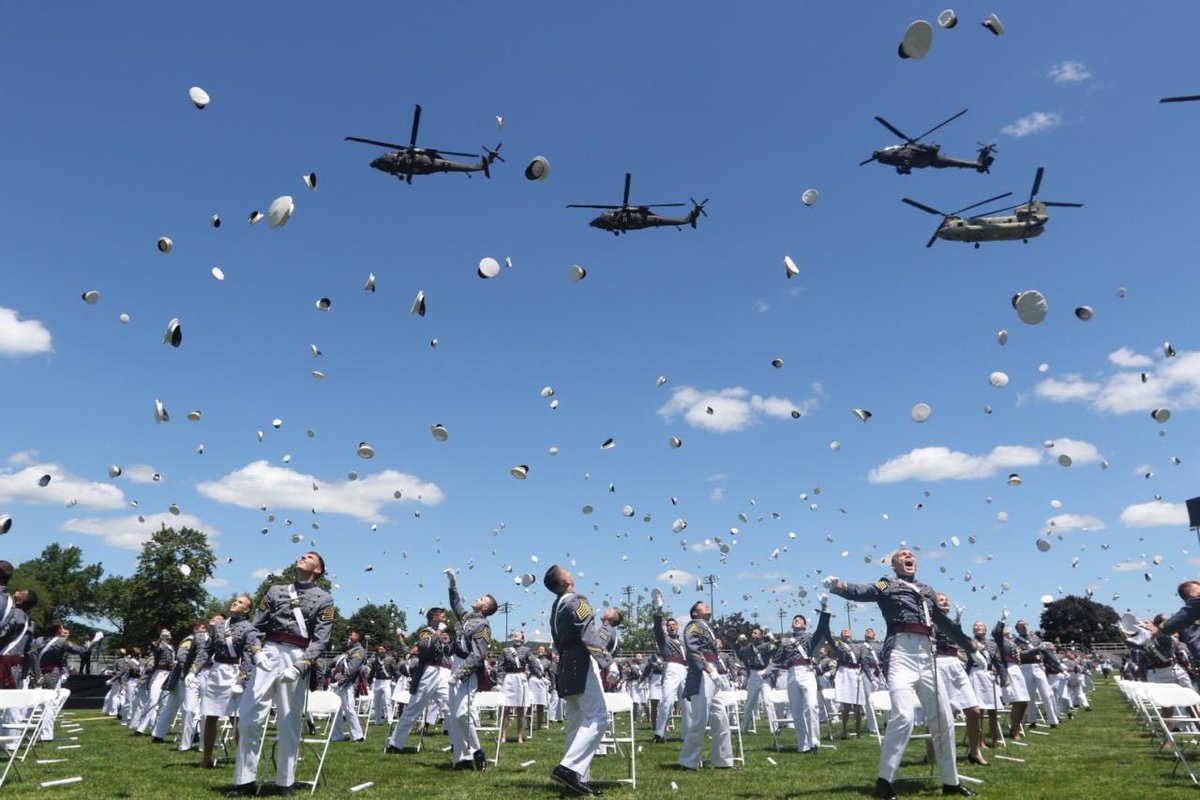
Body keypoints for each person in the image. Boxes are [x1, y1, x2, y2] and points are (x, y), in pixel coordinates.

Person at [828, 548, 982, 799]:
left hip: (926, 654)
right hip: (900, 651)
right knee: (903, 715)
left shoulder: (927, 590)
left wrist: (968, 646)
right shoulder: (886, 583)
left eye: (911, 555)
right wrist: (840, 586)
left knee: (944, 718)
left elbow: (943, 623)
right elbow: (864, 591)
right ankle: (884, 781)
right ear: (894, 564)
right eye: (902, 555)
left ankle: (951, 782)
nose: (908, 557)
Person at [226, 551, 334, 797]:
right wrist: (257, 652)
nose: (303, 557)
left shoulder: (324, 598)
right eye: (302, 555)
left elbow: (321, 640)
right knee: (250, 716)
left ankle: (285, 781)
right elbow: (255, 628)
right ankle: (244, 780)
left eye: (310, 557)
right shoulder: (275, 591)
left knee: (289, 720)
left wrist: (300, 666)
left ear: (318, 569)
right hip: (269, 652)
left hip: (297, 655)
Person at [544, 563, 612, 796]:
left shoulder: (556, 606)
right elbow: (588, 632)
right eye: (566, 572)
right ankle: (569, 768)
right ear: (566, 582)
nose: (571, 572)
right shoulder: (576, 600)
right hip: (581, 661)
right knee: (597, 717)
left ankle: (577, 778)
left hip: (566, 663)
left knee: (576, 721)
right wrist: (607, 662)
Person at [446, 568, 496, 771]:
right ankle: (461, 758)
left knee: (461, 714)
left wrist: (458, 674)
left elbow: (477, 655)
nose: (478, 597)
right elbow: (456, 604)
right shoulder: (467, 618)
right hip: (456, 665)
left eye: (483, 598)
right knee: (453, 716)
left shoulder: (483, 626)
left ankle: (477, 751)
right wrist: (452, 583)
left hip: (466, 671)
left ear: (485, 608)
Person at [195, 595, 254, 769]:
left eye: (241, 602)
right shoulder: (220, 625)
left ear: (247, 610)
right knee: (210, 715)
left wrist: (241, 679)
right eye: (235, 600)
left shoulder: (249, 628)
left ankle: (242, 760)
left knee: (236, 718)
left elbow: (248, 657)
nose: (235, 602)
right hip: (216, 671)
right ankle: (206, 758)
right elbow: (207, 650)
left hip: (234, 673)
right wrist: (193, 671)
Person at [764, 605, 832, 753]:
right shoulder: (785, 641)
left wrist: (824, 611)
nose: (797, 620)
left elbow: (821, 630)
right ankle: (803, 744)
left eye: (800, 619)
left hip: (807, 673)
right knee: (796, 710)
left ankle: (814, 742)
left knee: (812, 707)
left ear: (805, 625)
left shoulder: (809, 638)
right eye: (795, 619)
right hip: (792, 674)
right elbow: (776, 661)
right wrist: (765, 673)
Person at [928, 594, 986, 766]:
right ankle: (930, 754)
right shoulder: (929, 620)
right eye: (941, 600)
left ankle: (974, 751)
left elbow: (961, 640)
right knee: (937, 713)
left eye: (947, 599)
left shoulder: (952, 623)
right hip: (937, 663)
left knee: (974, 711)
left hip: (955, 665)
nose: (946, 601)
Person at [386, 608, 452, 754]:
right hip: (429, 670)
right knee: (414, 707)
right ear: (434, 617)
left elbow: (448, 652)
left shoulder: (444, 632)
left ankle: (457, 743)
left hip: (445, 671)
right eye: (442, 616)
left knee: (450, 708)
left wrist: (448, 642)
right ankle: (395, 744)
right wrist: (438, 635)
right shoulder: (425, 631)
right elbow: (424, 645)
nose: (445, 618)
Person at [679, 601, 733, 770]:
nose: (707, 606)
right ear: (695, 613)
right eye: (702, 605)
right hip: (703, 673)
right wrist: (710, 670)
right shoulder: (694, 626)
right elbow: (693, 650)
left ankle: (723, 759)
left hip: (712, 672)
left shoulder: (705, 627)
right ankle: (688, 761)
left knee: (721, 718)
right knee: (700, 719)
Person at [34, 621, 96, 740]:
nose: (63, 631)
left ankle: (28, 729)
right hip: (52, 674)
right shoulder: (62, 642)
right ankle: (45, 735)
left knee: (34, 702)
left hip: (37, 674)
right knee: (49, 705)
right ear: (58, 630)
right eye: (62, 628)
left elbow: (31, 654)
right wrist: (93, 640)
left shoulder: (38, 640)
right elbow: (82, 649)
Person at [153, 619, 207, 749]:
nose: (204, 630)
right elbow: (181, 656)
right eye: (202, 628)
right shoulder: (189, 640)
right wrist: (194, 668)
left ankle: (158, 734)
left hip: (182, 677)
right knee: (189, 707)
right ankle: (193, 734)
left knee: (173, 707)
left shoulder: (197, 640)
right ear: (195, 629)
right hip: (185, 677)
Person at [651, 606, 690, 743]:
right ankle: (659, 733)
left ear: (678, 627)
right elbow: (657, 629)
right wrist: (658, 613)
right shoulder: (664, 640)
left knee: (686, 704)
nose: (671, 627)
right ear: (666, 628)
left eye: (674, 625)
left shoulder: (683, 642)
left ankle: (687, 734)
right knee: (667, 701)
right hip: (671, 669)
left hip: (685, 670)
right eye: (669, 625)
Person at [1013, 620, 1060, 729]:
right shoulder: (1017, 641)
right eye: (1020, 626)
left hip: (1038, 665)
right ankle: (1032, 720)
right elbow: (1021, 654)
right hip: (1026, 666)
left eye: (1024, 625)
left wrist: (1055, 664)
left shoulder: (1035, 638)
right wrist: (1036, 650)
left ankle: (1053, 720)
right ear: (1017, 628)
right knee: (1030, 695)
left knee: (1046, 693)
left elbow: (1043, 651)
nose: (1023, 627)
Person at [966, 620, 1006, 747]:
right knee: (979, 710)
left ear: (985, 629)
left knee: (993, 709)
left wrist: (1004, 678)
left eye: (980, 625)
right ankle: (979, 740)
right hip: (976, 674)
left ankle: (996, 738)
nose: (978, 627)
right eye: (975, 625)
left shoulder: (992, 644)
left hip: (989, 676)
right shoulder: (969, 642)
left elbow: (998, 661)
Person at [993, 616, 1030, 740]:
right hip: (1008, 669)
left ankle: (1016, 726)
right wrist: (1002, 620)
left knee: (1024, 702)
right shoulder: (1000, 640)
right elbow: (996, 632)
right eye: (1004, 627)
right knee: (1017, 701)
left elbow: (1022, 652)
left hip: (1017, 669)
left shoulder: (1012, 641)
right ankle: (1014, 730)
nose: (1006, 627)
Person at [132, 628, 176, 734]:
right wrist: (160, 639)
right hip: (159, 674)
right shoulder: (159, 645)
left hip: (169, 675)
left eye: (168, 633)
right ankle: (140, 727)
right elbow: (154, 646)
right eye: (165, 633)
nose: (168, 634)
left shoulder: (172, 647)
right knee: (153, 700)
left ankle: (158, 729)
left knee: (164, 704)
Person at [735, 625, 776, 735]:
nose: (753, 635)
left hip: (764, 675)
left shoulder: (767, 645)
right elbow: (739, 654)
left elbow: (777, 650)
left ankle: (775, 728)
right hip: (753, 674)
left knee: (768, 701)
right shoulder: (749, 647)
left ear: (761, 635)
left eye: (756, 633)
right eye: (752, 633)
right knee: (749, 703)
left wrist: (772, 639)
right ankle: (744, 729)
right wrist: (737, 642)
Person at [330, 630, 366, 742]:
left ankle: (357, 735)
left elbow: (352, 670)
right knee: (335, 710)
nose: (349, 636)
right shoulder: (349, 651)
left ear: (358, 637)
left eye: (352, 634)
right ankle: (336, 735)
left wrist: (339, 682)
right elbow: (334, 663)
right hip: (340, 683)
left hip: (348, 684)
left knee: (349, 709)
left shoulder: (359, 651)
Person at [0, 586, 37, 691]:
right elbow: (30, 652)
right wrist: (24, 675)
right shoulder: (29, 622)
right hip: (15, 668)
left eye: (19, 592)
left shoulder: (14, 614)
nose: (15, 591)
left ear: (20, 600)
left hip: (3, 664)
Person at [500, 629, 531, 743]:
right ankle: (503, 735)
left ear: (522, 638)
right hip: (509, 677)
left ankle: (520, 736)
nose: (515, 635)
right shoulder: (505, 650)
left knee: (520, 708)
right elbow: (500, 666)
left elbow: (533, 664)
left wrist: (538, 675)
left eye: (518, 634)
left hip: (520, 678)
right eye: (514, 634)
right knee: (505, 708)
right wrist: (499, 681)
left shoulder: (527, 650)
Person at [366, 644, 397, 726]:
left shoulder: (391, 659)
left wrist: (396, 680)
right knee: (376, 702)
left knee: (388, 702)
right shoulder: (375, 660)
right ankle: (378, 720)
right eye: (379, 649)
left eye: (381, 649)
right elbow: (372, 672)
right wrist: (369, 682)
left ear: (385, 650)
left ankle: (390, 720)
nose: (380, 650)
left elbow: (394, 671)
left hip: (387, 681)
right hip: (377, 681)